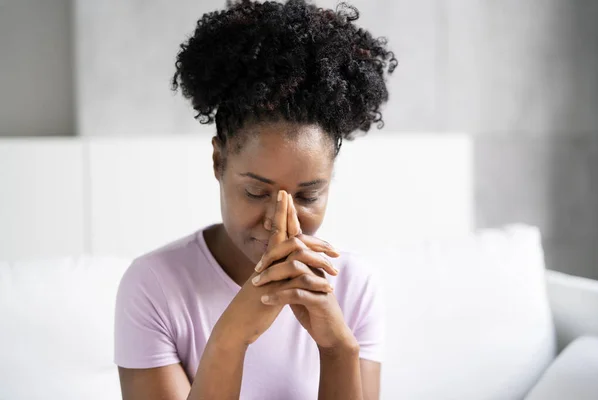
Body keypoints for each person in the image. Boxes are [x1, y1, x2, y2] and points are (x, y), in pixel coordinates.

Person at [114, 0, 396, 399]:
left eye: (308, 194)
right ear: (218, 162)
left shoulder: (354, 285)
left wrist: (339, 350)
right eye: (256, 192)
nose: (279, 221)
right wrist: (232, 336)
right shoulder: (155, 287)